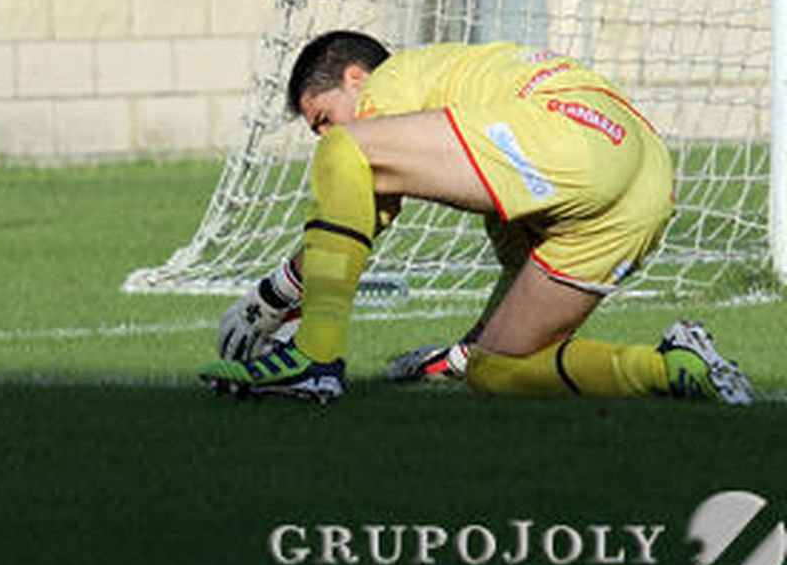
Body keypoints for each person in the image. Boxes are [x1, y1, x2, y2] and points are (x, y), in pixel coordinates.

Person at [201, 30, 753, 404]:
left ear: (354, 79)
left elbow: (367, 200)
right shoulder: (490, 151)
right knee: (496, 369)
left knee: (345, 153)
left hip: (568, 133)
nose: (322, 132)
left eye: (321, 116)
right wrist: (461, 353)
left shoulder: (392, 79)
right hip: (644, 183)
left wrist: (270, 299)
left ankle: (312, 359)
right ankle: (675, 366)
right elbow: (520, 270)